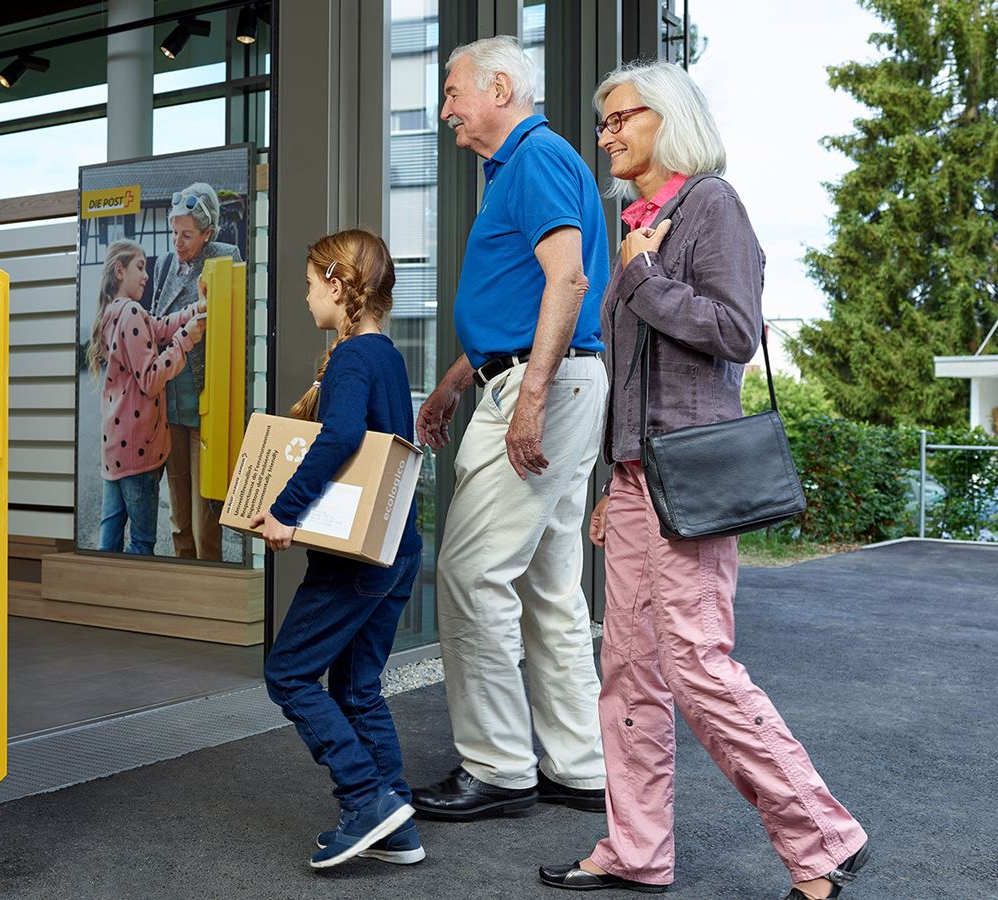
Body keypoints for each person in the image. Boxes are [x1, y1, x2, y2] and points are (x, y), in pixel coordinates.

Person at [538, 60, 870, 898]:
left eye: (621, 117)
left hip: (690, 479)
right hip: (637, 480)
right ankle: (636, 851)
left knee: (696, 667)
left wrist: (643, 276)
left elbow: (732, 331)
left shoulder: (710, 205)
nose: (606, 132)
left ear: (668, 119)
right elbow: (628, 374)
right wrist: (611, 485)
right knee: (629, 673)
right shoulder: (637, 221)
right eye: (603, 120)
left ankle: (823, 837)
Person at [410, 35, 611, 822]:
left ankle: (497, 767)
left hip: (544, 387)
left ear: (500, 87)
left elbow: (568, 279)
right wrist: (459, 380)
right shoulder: (523, 165)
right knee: (549, 587)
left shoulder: (534, 157)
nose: (446, 110)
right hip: (542, 378)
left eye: (454, 91)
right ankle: (580, 765)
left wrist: (528, 396)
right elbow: (523, 298)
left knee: (470, 574)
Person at [253, 229, 425, 869]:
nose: (304, 298)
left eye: (306, 285)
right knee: (357, 688)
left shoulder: (352, 358)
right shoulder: (387, 354)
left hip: (352, 565)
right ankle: (397, 823)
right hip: (394, 552)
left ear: (335, 283)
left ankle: (365, 799)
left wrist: (284, 511)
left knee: (288, 672)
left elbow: (343, 435)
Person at [88, 240, 206, 555]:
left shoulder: (111, 313)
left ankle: (102, 595)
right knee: (142, 542)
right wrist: (186, 340)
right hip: (139, 453)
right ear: (119, 270)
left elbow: (157, 327)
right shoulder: (132, 312)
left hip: (115, 451)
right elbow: (152, 379)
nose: (146, 277)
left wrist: (195, 309)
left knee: (109, 540)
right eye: (139, 267)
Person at [151, 182, 242, 561]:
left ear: (208, 233)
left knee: (207, 511)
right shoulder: (166, 264)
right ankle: (183, 582)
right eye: (174, 232)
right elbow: (155, 320)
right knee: (178, 511)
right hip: (171, 404)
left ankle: (210, 583)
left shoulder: (225, 257)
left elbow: (235, 325)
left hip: (206, 403)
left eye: (187, 234)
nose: (178, 241)